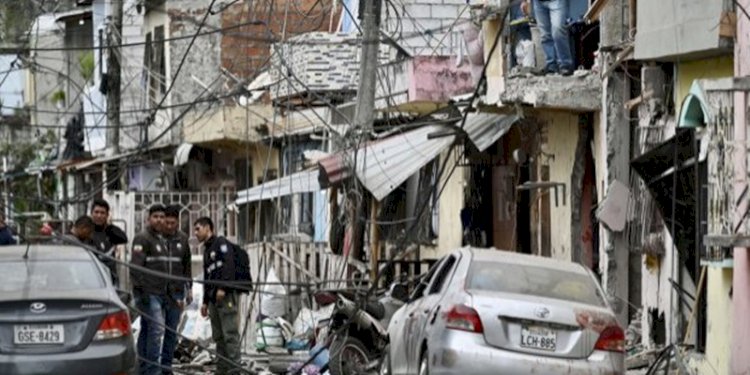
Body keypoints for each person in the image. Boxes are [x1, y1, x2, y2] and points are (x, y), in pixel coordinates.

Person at [194, 217, 241, 375]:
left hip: (225, 297)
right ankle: (222, 370)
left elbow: (229, 266)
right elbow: (207, 278)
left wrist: (222, 288)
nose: (195, 233)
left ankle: (234, 371)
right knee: (218, 337)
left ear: (208, 228)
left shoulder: (221, 243)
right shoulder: (207, 251)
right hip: (213, 299)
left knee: (230, 336)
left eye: (198, 229)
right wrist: (205, 302)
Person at [130, 204, 169, 375]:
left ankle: (143, 370)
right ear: (149, 219)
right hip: (148, 294)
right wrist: (142, 292)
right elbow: (135, 268)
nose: (159, 220)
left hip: (160, 293)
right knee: (156, 331)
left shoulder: (160, 239)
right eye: (156, 217)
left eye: (162, 217)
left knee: (147, 331)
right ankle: (153, 371)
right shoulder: (142, 238)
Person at [161, 205, 193, 373]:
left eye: (173, 223)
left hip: (177, 292)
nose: (170, 226)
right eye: (167, 223)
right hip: (157, 291)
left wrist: (189, 288)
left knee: (171, 331)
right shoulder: (156, 237)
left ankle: (166, 367)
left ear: (178, 222)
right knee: (154, 330)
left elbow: (187, 265)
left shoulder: (182, 238)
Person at [522, 0, 574, 75]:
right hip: (539, 2)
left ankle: (565, 64)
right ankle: (551, 66)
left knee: (557, 31)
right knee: (545, 35)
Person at [91, 199, 128, 285]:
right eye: (96, 212)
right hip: (91, 278)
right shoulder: (87, 232)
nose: (99, 215)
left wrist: (109, 226)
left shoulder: (110, 231)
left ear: (107, 215)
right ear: (91, 213)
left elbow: (124, 238)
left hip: (110, 279)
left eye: (102, 213)